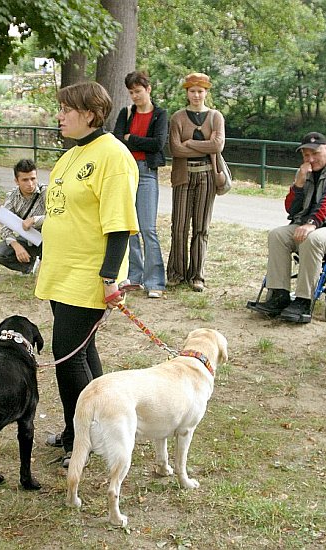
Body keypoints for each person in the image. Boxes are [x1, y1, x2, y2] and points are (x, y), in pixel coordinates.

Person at [35, 81, 139, 467]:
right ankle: (86, 428)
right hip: (62, 272)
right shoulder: (72, 154)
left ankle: (83, 438)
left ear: (91, 114)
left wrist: (110, 278)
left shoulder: (113, 156)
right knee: (82, 352)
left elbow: (119, 225)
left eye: (66, 109)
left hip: (89, 274)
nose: (59, 115)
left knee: (68, 357)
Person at [247, 132, 326, 323]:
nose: (311, 159)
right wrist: (298, 184)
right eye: (306, 155)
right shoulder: (304, 171)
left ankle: (303, 300)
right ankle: (278, 295)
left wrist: (311, 224)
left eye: (315, 154)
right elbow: (290, 209)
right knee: (277, 235)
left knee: (312, 239)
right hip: (309, 223)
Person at [167, 72, 225, 292]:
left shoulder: (215, 117)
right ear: (187, 92)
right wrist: (201, 144)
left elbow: (217, 145)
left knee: (201, 227)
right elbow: (175, 149)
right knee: (179, 225)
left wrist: (189, 142)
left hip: (207, 175)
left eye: (200, 91)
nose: (196, 95)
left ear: (206, 92)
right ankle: (176, 272)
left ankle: (197, 275)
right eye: (192, 91)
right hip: (183, 175)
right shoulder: (178, 118)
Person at [113, 70, 168, 298]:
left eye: (138, 91)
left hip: (146, 173)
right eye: (131, 92)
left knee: (148, 228)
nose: (135, 96)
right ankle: (134, 275)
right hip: (126, 171)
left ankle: (155, 281)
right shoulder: (126, 113)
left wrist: (131, 139)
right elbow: (116, 139)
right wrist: (132, 141)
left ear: (148, 89)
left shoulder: (160, 114)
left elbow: (158, 143)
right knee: (130, 228)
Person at [0, 158, 46, 274]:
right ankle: (30, 268)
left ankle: (42, 265)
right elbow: (5, 225)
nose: (30, 184)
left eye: (33, 179)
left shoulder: (46, 192)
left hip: (48, 238)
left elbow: (58, 217)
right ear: (16, 181)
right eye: (25, 180)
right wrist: (16, 245)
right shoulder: (12, 196)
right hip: (27, 238)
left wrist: (36, 219)